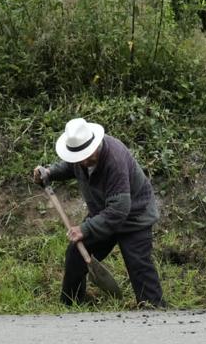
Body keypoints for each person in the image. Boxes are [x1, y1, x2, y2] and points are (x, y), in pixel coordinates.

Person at [33, 118, 165, 307]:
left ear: (96, 143)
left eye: (88, 156)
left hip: (135, 216)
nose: (85, 161)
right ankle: (71, 305)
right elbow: (70, 166)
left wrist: (84, 229)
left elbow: (119, 209)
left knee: (139, 265)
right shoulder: (80, 157)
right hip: (103, 213)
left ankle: (155, 311)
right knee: (76, 255)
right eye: (80, 158)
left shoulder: (114, 160)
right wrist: (49, 172)